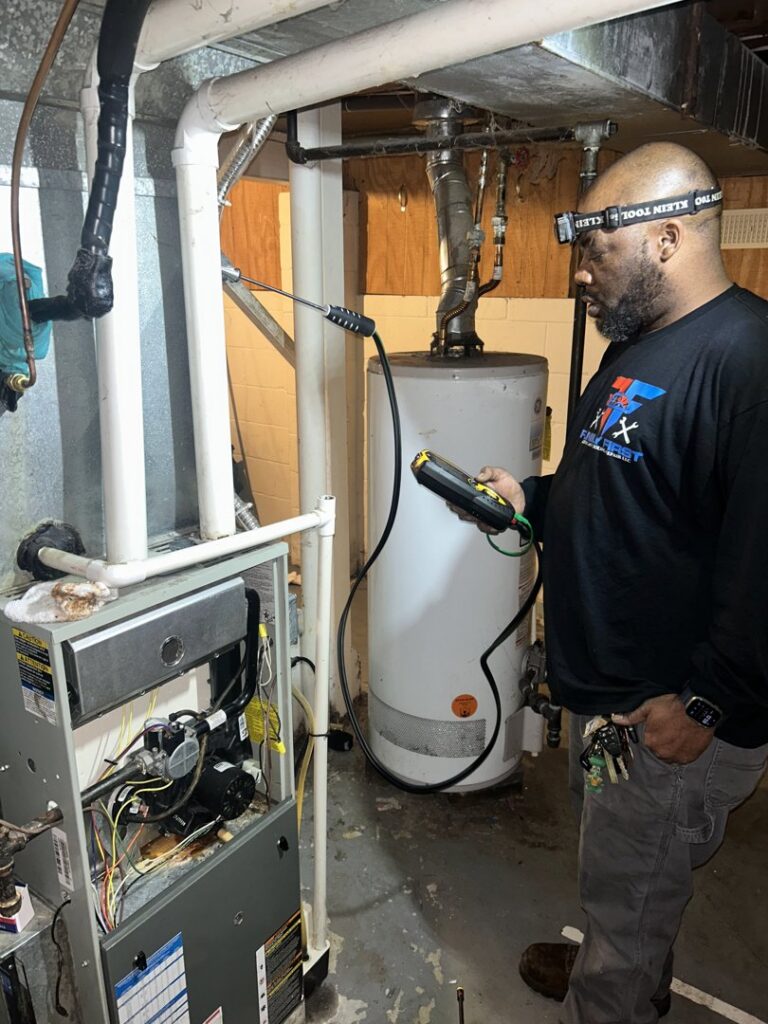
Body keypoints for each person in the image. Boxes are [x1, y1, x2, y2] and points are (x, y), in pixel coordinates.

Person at [453, 142, 768, 1023]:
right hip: (617, 698)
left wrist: (704, 705)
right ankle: (624, 962)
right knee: (626, 873)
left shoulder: (747, 363)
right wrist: (530, 498)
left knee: (631, 887)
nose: (583, 278)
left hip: (664, 717)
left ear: (667, 239)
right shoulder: (638, 348)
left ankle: (615, 987)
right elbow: (610, 486)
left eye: (598, 254)